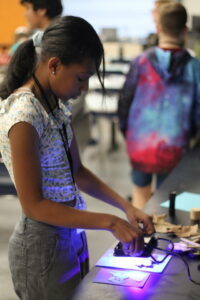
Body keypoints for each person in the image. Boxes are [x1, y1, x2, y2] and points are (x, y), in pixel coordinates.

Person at [0, 16, 154, 300]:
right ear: (54, 65)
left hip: (69, 235)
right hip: (41, 247)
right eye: (81, 78)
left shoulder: (54, 103)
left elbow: (78, 171)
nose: (83, 89)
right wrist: (110, 222)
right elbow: (34, 206)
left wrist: (126, 208)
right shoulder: (24, 116)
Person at [118, 3, 200, 209]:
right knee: (165, 200)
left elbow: (124, 102)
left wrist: (127, 133)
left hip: (139, 144)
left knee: (140, 195)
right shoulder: (194, 68)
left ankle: (140, 237)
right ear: (185, 31)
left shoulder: (140, 62)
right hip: (174, 145)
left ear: (158, 28)